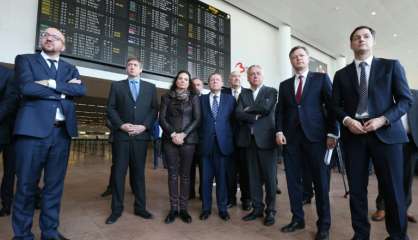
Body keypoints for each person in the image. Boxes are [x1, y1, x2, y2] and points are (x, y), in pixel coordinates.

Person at [332, 26, 412, 240]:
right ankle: (360, 234)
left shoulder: (391, 66)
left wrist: (383, 119)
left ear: (373, 41)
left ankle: (397, 235)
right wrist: (347, 121)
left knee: (393, 189)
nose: (361, 40)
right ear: (351, 44)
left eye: (366, 36)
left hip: (386, 134)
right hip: (354, 136)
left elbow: (405, 100)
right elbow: (334, 106)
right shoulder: (341, 75)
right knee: (356, 191)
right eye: (356, 38)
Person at [12, 27, 86, 240]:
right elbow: (27, 88)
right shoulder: (25, 60)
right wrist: (64, 91)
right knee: (26, 186)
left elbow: (80, 90)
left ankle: (50, 232)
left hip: (61, 134)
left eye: (55, 37)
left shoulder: (70, 68)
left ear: (63, 45)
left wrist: (51, 84)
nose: (49, 38)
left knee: (54, 187)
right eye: (45, 35)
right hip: (32, 133)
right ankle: (23, 235)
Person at [276, 46, 337, 240]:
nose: (298, 59)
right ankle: (297, 219)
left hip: (317, 138)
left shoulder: (320, 79)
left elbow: (333, 107)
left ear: (307, 58)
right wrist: (279, 130)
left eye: (301, 55)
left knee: (320, 183)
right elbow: (280, 112)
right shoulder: (285, 85)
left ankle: (324, 225)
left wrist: (332, 133)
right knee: (293, 182)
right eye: (294, 57)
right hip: (291, 140)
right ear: (291, 61)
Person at [106, 57, 158, 224]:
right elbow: (111, 108)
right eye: (129, 65)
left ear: (141, 69)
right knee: (119, 174)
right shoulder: (116, 86)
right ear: (126, 69)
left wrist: (144, 126)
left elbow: (153, 110)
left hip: (141, 138)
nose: (132, 67)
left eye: (135, 65)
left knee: (138, 174)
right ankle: (116, 209)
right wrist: (121, 125)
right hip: (122, 137)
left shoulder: (151, 88)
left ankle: (140, 208)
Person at [236, 65, 277, 226]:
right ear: (247, 77)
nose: (255, 76)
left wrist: (248, 109)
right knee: (253, 177)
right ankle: (257, 208)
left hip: (266, 140)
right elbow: (238, 113)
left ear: (262, 76)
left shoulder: (271, 91)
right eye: (252, 74)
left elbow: (266, 109)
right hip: (249, 140)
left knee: (269, 178)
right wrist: (254, 116)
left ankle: (271, 211)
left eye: (258, 73)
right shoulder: (243, 93)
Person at [160, 70, 201, 224]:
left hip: (188, 141)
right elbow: (162, 119)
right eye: (180, 78)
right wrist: (173, 135)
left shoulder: (194, 98)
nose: (183, 81)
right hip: (170, 140)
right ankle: (173, 209)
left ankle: (183, 209)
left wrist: (183, 134)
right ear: (176, 80)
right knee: (172, 175)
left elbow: (197, 119)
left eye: (186, 79)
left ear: (188, 82)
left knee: (185, 176)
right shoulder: (166, 97)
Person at [371, 89, 418, 223]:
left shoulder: (415, 95)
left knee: (407, 178)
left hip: (411, 141)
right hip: (390, 139)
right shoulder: (385, 93)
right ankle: (382, 207)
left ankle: (404, 209)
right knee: (387, 175)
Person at [199, 73, 235, 221]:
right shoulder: (200, 99)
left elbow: (234, 121)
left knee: (222, 179)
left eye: (218, 80)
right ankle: (206, 209)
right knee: (205, 180)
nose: (215, 81)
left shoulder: (230, 99)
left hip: (223, 145)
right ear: (208, 83)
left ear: (222, 83)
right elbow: (197, 120)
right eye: (212, 80)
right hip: (205, 145)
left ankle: (222, 209)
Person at [221, 71, 251, 210]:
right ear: (229, 80)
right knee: (230, 172)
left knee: (245, 170)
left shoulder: (249, 93)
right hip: (228, 138)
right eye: (233, 77)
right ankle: (231, 199)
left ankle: (246, 199)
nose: (236, 79)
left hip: (245, 138)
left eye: (238, 77)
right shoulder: (223, 93)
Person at [0, 65, 18, 217]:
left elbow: (9, 103)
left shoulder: (9, 74)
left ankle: (6, 205)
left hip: (8, 133)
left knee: (10, 171)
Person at [189, 77, 204, 200]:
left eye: (198, 85)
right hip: (189, 139)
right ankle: (189, 193)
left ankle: (203, 193)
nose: (196, 87)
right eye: (193, 85)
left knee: (204, 169)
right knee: (189, 168)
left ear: (202, 86)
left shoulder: (205, 99)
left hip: (204, 140)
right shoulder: (187, 99)